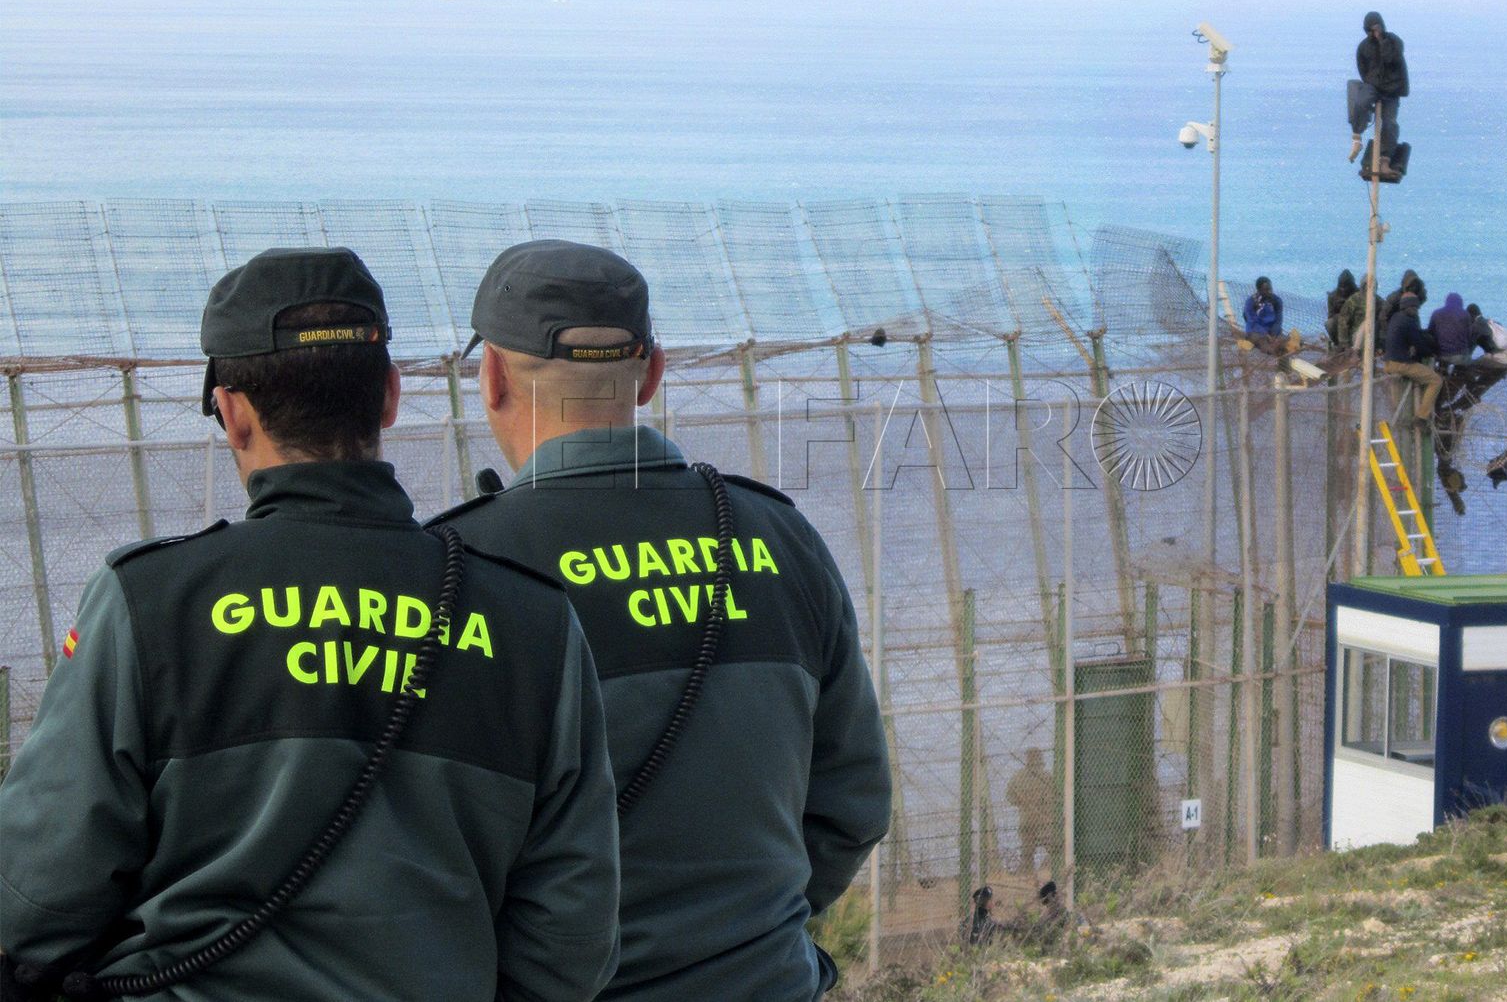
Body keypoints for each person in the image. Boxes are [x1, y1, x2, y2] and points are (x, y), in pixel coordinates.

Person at [0, 249, 620, 1002]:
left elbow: (32, 903)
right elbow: (570, 943)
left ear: (232, 413)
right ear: (389, 397)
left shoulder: (147, 600)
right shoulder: (533, 621)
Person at [429, 240, 891, 1002]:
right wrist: (745, 931)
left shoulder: (456, 571)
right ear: (650, 374)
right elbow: (855, 802)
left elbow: (429, 853)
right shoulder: (778, 537)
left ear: (492, 378)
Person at [1348, 11, 1409, 166]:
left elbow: (1391, 58)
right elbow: (1362, 68)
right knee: (1361, 102)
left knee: (1390, 123)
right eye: (1371, 29)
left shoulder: (1394, 41)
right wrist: (1371, 81)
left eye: (1377, 27)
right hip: (1373, 85)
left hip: (1392, 89)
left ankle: (1385, 157)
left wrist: (1382, 40)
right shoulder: (1363, 47)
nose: (1374, 32)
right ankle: (1357, 136)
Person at [1383, 291, 1442, 421]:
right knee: (1436, 380)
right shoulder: (1409, 321)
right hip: (1400, 364)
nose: (1416, 310)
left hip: (1387, 363)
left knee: (1404, 387)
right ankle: (1422, 417)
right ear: (1407, 307)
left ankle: (1398, 416)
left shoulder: (1396, 317)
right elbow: (1419, 345)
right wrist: (1431, 353)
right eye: (1414, 307)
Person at [1007, 748, 1057, 875]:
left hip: (1026, 820)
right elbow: (1055, 797)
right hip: (1044, 820)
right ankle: (1054, 871)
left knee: (1027, 852)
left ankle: (1028, 876)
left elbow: (1010, 797)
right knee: (1054, 849)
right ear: (1040, 759)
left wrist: (1022, 803)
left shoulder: (1017, 778)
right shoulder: (1047, 777)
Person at [1428, 291, 1473, 366]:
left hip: (1442, 355)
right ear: (1460, 302)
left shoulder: (1436, 313)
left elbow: (1430, 333)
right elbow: (1469, 336)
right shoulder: (1465, 314)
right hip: (1461, 355)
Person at [1325, 269, 1358, 350]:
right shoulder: (1332, 296)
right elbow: (1330, 316)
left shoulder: (1358, 295)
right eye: (1341, 287)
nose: (1343, 290)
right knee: (1329, 324)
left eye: (1346, 287)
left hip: (1355, 322)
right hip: (1339, 322)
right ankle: (1337, 343)